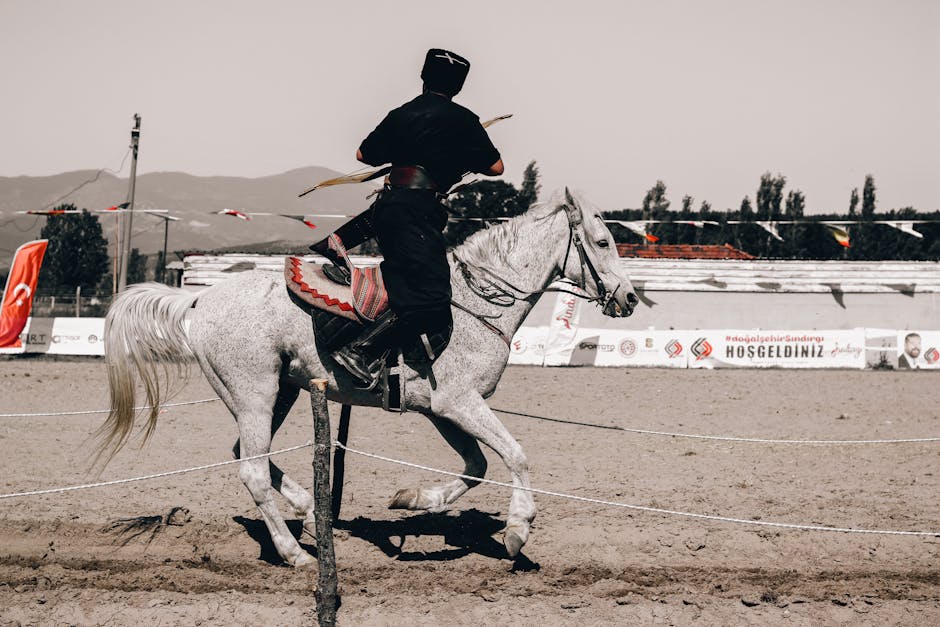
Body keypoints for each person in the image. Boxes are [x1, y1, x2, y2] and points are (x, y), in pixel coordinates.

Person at [325, 48, 505, 386]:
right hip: (417, 212)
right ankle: (361, 350)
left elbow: (364, 154)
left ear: (424, 77)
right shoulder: (465, 119)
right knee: (433, 302)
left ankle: (337, 240)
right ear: (459, 87)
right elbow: (496, 167)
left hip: (391, 206)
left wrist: (407, 150)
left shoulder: (401, 113)